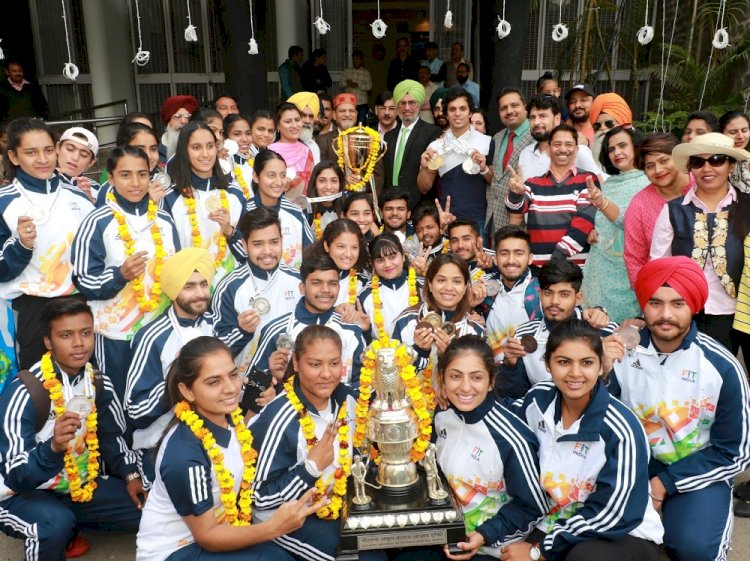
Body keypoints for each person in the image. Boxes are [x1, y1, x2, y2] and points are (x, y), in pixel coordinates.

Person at [610, 256, 750, 558]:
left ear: (694, 306)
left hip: (699, 469)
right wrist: (600, 371)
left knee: (694, 548)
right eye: (655, 303)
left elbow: (734, 452)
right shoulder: (620, 354)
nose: (665, 315)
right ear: (643, 305)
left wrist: (664, 483)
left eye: (678, 304)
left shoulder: (721, 366)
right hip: (630, 468)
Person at [135, 336, 320, 561]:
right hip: (176, 550)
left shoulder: (231, 419)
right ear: (187, 391)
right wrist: (274, 527)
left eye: (233, 375)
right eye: (214, 382)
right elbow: (207, 536)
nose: (231, 388)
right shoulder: (184, 455)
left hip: (218, 532)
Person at [506, 318, 663, 561]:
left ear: (602, 366)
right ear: (548, 364)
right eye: (563, 362)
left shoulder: (622, 428)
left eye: (587, 362)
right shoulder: (538, 399)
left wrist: (539, 550)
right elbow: (503, 420)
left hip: (623, 534)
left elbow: (615, 514)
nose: (575, 373)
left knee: (584, 557)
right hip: (558, 523)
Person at [0, 298, 144, 560]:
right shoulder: (25, 392)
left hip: (77, 483)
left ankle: (68, 525)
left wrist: (130, 474)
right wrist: (53, 447)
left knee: (145, 508)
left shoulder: (98, 382)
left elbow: (113, 437)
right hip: (19, 493)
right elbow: (13, 475)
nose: (79, 343)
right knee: (52, 525)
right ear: (48, 342)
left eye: (86, 333)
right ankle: (56, 528)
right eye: (66, 335)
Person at [72, 146, 180, 399]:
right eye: (126, 175)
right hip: (115, 335)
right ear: (110, 179)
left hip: (159, 330)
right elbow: (83, 280)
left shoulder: (164, 219)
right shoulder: (97, 221)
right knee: (117, 402)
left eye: (142, 174)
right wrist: (120, 274)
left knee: (161, 397)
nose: (135, 183)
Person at [250, 325, 358, 560]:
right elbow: (257, 498)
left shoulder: (347, 400)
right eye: (315, 364)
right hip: (287, 520)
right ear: (296, 364)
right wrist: (310, 468)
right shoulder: (278, 417)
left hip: (336, 505)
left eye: (334, 363)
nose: (327, 374)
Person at [436, 336, 548, 560]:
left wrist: (484, 535)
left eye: (476, 377)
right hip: (448, 537)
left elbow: (534, 506)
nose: (465, 387)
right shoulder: (441, 417)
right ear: (442, 379)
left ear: (491, 381)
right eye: (455, 376)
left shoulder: (511, 438)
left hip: (495, 548)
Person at [0, 118, 95, 370]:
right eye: (31, 152)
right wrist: (21, 245)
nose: (42, 159)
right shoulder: (4, 202)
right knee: (36, 390)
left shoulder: (80, 199)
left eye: (48, 150)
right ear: (14, 156)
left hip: (78, 305)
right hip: (30, 310)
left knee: (84, 387)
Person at [651, 132, 750, 351]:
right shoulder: (672, 210)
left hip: (741, 312)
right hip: (688, 313)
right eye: (697, 162)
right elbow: (658, 266)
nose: (707, 169)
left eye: (716, 160)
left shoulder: (748, 207)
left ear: (731, 165)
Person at [126, 248, 216, 482]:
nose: (199, 294)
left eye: (203, 284)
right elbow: (135, 410)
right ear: (174, 290)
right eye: (189, 286)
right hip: (163, 442)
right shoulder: (152, 337)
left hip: (213, 436)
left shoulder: (214, 327)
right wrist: (176, 379)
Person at [247, 249, 366, 386]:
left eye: (332, 283)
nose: (326, 289)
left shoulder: (351, 329)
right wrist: (274, 379)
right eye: (317, 283)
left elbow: (362, 386)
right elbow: (253, 386)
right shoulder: (277, 330)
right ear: (302, 288)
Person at [498, 260, 614, 398]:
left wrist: (605, 371)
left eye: (564, 294)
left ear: (578, 298)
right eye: (548, 293)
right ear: (540, 294)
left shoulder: (604, 331)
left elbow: (617, 393)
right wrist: (511, 367)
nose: (554, 301)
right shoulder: (524, 335)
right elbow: (518, 395)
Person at [211, 208, 300, 379]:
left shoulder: (300, 281)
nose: (267, 251)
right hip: (245, 385)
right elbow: (215, 351)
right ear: (244, 245)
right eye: (258, 244)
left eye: (274, 242)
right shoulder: (229, 287)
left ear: (282, 240)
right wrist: (241, 330)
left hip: (293, 381)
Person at [162, 122, 245, 288]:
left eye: (210, 146)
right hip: (190, 290)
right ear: (184, 151)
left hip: (232, 289)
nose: (205, 154)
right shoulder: (170, 197)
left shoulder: (235, 194)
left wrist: (230, 231)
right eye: (196, 147)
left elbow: (248, 251)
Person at [582, 127, 649, 323]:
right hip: (599, 265)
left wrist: (602, 203)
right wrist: (594, 231)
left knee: (623, 333)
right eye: (611, 149)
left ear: (636, 147)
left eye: (622, 146)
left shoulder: (647, 182)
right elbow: (605, 221)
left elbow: (627, 220)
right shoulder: (610, 183)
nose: (617, 153)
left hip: (626, 271)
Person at [506, 124, 597, 266]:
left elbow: (583, 224)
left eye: (569, 144)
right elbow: (516, 208)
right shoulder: (533, 184)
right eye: (557, 144)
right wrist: (516, 193)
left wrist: (556, 259)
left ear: (577, 150)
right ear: (548, 149)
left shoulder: (588, 180)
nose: (563, 149)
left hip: (574, 270)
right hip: (537, 269)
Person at [419, 87, 494, 237]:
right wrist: (425, 167)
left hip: (478, 218)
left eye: (463, 109)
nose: (458, 113)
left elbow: (493, 180)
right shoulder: (436, 146)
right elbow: (424, 187)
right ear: (446, 113)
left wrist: (484, 168)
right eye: (452, 109)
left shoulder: (486, 142)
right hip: (448, 218)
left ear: (470, 112)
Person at [392, 254, 485, 371]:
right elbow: (392, 375)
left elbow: (478, 379)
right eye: (441, 280)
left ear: (465, 287)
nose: (449, 287)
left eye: (457, 281)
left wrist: (448, 357)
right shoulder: (406, 321)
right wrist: (419, 350)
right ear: (430, 284)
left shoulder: (475, 331)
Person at [624, 133, 693, 287]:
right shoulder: (639, 206)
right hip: (664, 290)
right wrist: (649, 296)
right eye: (650, 166)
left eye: (664, 160)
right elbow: (634, 260)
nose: (658, 170)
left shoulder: (700, 185)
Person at [245, 149, 314, 269]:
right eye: (271, 175)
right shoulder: (244, 212)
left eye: (282, 175)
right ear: (256, 176)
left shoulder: (296, 213)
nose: (278, 182)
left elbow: (311, 255)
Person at [484, 226, 541, 365]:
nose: (511, 260)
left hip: (533, 375)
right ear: (495, 258)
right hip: (494, 375)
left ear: (530, 258)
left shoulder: (543, 291)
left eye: (518, 253)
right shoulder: (483, 287)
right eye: (504, 253)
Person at [517, 94, 604, 185]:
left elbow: (599, 189)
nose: (536, 122)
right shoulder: (525, 153)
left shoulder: (577, 151)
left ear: (557, 119)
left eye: (543, 116)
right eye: (532, 117)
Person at [384, 80, 442, 208]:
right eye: (402, 103)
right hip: (391, 205)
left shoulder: (433, 133)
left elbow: (431, 174)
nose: (407, 108)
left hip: (419, 207)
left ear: (420, 105)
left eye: (412, 103)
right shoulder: (389, 136)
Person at [486, 88, 533, 233]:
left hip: (523, 221)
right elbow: (497, 178)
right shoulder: (497, 137)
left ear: (525, 107)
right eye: (504, 108)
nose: (509, 111)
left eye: (514, 105)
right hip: (494, 217)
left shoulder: (536, 136)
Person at [359, 233, 420, 340]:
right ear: (373, 264)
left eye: (392, 257)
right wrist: (366, 331)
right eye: (380, 260)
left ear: (403, 256)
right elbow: (363, 336)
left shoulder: (421, 287)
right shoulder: (364, 295)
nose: (387, 264)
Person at [268, 102, 315, 200]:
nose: (295, 125)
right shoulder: (270, 152)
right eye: (288, 121)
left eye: (297, 120)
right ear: (277, 126)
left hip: (308, 210)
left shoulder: (307, 151)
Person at [56, 126, 100, 203]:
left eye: (83, 154)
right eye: (70, 149)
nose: (75, 158)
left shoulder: (96, 188)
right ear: (58, 148)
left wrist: (91, 201)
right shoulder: (41, 181)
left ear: (91, 162)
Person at [588, 92, 634, 162]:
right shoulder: (588, 154)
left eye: (609, 124)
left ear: (623, 124)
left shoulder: (640, 152)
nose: (602, 128)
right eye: (597, 126)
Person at [307, 160, 346, 238]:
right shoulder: (306, 211)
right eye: (322, 181)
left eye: (334, 181)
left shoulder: (348, 207)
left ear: (340, 184)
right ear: (315, 184)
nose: (328, 187)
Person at [224, 114, 255, 206]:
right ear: (226, 136)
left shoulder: (257, 161)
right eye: (237, 134)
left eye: (248, 133)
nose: (245, 139)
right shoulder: (222, 166)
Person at [158, 95, 200, 162]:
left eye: (187, 117)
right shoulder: (157, 153)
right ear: (168, 121)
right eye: (177, 116)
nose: (184, 121)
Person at [719, 110, 750, 193]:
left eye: (744, 131)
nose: (740, 136)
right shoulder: (713, 161)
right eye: (733, 132)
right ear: (721, 134)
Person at [287, 92, 322, 164]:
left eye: (311, 116)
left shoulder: (313, 146)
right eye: (303, 115)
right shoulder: (274, 144)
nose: (307, 121)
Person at [341, 50, 372, 125]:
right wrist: (347, 83)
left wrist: (358, 85)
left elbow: (369, 87)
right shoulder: (347, 71)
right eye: (354, 59)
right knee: (349, 124)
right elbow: (341, 83)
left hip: (361, 104)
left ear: (361, 60)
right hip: (349, 103)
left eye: (357, 59)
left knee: (360, 125)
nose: (355, 61)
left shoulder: (366, 72)